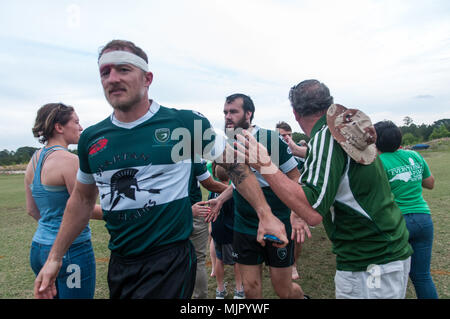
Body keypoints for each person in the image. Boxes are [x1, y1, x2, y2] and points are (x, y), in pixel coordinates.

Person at [33, 40, 288, 299]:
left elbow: (235, 165)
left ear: (147, 78)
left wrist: (265, 214)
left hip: (170, 260)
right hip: (121, 262)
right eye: (105, 72)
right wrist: (55, 256)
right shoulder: (92, 138)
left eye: (123, 69)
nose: (112, 79)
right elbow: (82, 199)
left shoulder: (185, 123)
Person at [236, 79, 413, 299]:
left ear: (295, 113)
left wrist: (264, 164)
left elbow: (312, 212)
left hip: (370, 260)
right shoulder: (339, 131)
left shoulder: (325, 137)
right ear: (329, 103)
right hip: (383, 253)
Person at [209, 93, 309, 299]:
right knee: (250, 289)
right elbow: (241, 182)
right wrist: (221, 199)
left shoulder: (270, 139)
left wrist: (297, 212)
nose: (227, 116)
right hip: (244, 224)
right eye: (225, 112)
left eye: (233, 112)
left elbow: (295, 176)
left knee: (284, 290)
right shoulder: (226, 144)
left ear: (248, 113)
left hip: (277, 222)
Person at [25, 103, 103, 299]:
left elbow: (32, 210)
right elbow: (84, 208)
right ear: (59, 127)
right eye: (76, 122)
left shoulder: (34, 160)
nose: (81, 127)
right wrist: (123, 214)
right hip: (72, 251)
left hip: (39, 249)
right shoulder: (70, 161)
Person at [374, 120, 438, 299]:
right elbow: (430, 183)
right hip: (423, 219)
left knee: (387, 277)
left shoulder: (376, 163)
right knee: (423, 277)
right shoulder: (415, 156)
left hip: (396, 223)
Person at [189, 159, 228, 299]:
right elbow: (210, 184)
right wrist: (238, 189)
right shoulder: (191, 154)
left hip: (169, 213)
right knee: (198, 260)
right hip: (195, 210)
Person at [275, 121, 309, 280]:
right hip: (276, 200)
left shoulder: (300, 156)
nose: (286, 138)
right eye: (282, 135)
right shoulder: (272, 155)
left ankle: (293, 264)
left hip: (296, 199)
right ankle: (278, 261)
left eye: (288, 135)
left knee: (296, 234)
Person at [209, 165, 244, 299]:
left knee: (219, 260)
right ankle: (239, 290)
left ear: (216, 176)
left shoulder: (213, 191)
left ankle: (220, 290)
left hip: (218, 232)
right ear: (230, 175)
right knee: (236, 262)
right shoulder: (230, 193)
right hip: (230, 233)